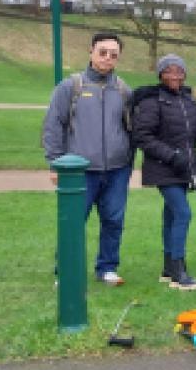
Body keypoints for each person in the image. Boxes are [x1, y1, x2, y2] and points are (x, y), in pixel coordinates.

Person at [42, 32, 133, 286]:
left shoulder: (124, 90)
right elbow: (53, 126)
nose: (107, 58)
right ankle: (67, 270)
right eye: (102, 52)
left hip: (116, 170)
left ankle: (107, 268)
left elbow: (132, 129)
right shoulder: (70, 87)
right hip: (79, 171)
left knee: (114, 220)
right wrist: (55, 162)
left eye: (113, 55)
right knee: (73, 222)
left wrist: (128, 162)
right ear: (91, 51)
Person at [131, 54, 196, 290]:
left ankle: (168, 268)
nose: (175, 76)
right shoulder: (153, 101)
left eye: (179, 71)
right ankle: (179, 269)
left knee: (171, 215)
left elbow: (192, 137)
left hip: (184, 168)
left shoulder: (188, 100)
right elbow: (142, 136)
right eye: (169, 71)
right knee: (183, 213)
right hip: (164, 167)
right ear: (161, 74)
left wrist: (192, 166)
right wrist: (171, 156)